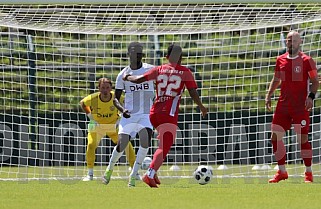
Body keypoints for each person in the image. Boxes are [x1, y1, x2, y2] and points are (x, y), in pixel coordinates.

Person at [124, 44, 208, 188]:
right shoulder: (185, 72)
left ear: (167, 57)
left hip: (154, 113)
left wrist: (127, 76)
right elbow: (193, 92)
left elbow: (138, 79)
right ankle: (149, 174)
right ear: (181, 57)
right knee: (164, 147)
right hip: (168, 114)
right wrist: (201, 106)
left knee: (161, 143)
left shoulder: (159, 69)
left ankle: (153, 172)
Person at [265, 31, 319, 183]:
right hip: (283, 105)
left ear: (300, 42)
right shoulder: (280, 59)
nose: (291, 42)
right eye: (289, 40)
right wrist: (269, 95)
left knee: (302, 138)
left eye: (294, 40)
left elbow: (315, 82)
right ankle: (282, 171)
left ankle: (308, 172)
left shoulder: (307, 60)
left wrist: (311, 97)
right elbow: (276, 79)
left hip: (300, 106)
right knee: (275, 137)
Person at [102, 42, 154, 187]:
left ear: (142, 55)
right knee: (122, 143)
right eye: (132, 52)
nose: (135, 55)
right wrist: (122, 110)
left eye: (138, 52)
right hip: (129, 114)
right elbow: (115, 99)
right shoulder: (122, 75)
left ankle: (133, 175)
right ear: (128, 55)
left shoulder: (150, 69)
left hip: (146, 114)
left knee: (145, 140)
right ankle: (109, 169)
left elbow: (161, 82)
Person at [80, 77, 137, 181]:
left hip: (113, 125)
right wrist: (91, 118)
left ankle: (135, 172)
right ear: (98, 88)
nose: (105, 90)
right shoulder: (93, 98)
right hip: (97, 126)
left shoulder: (117, 97)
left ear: (111, 88)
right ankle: (90, 174)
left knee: (127, 145)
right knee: (91, 144)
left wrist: (120, 119)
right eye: (102, 88)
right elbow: (83, 103)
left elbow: (128, 105)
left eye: (107, 87)